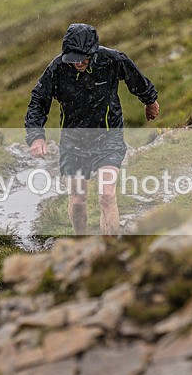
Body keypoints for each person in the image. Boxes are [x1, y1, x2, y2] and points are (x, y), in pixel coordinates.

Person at [25, 23, 160, 236]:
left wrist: (150, 101)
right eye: (73, 58)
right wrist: (36, 136)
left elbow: (136, 79)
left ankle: (108, 254)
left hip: (108, 138)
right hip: (73, 141)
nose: (78, 63)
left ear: (93, 52)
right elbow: (39, 100)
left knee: (106, 196)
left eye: (83, 58)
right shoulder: (57, 68)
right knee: (78, 201)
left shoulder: (112, 60)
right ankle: (82, 240)